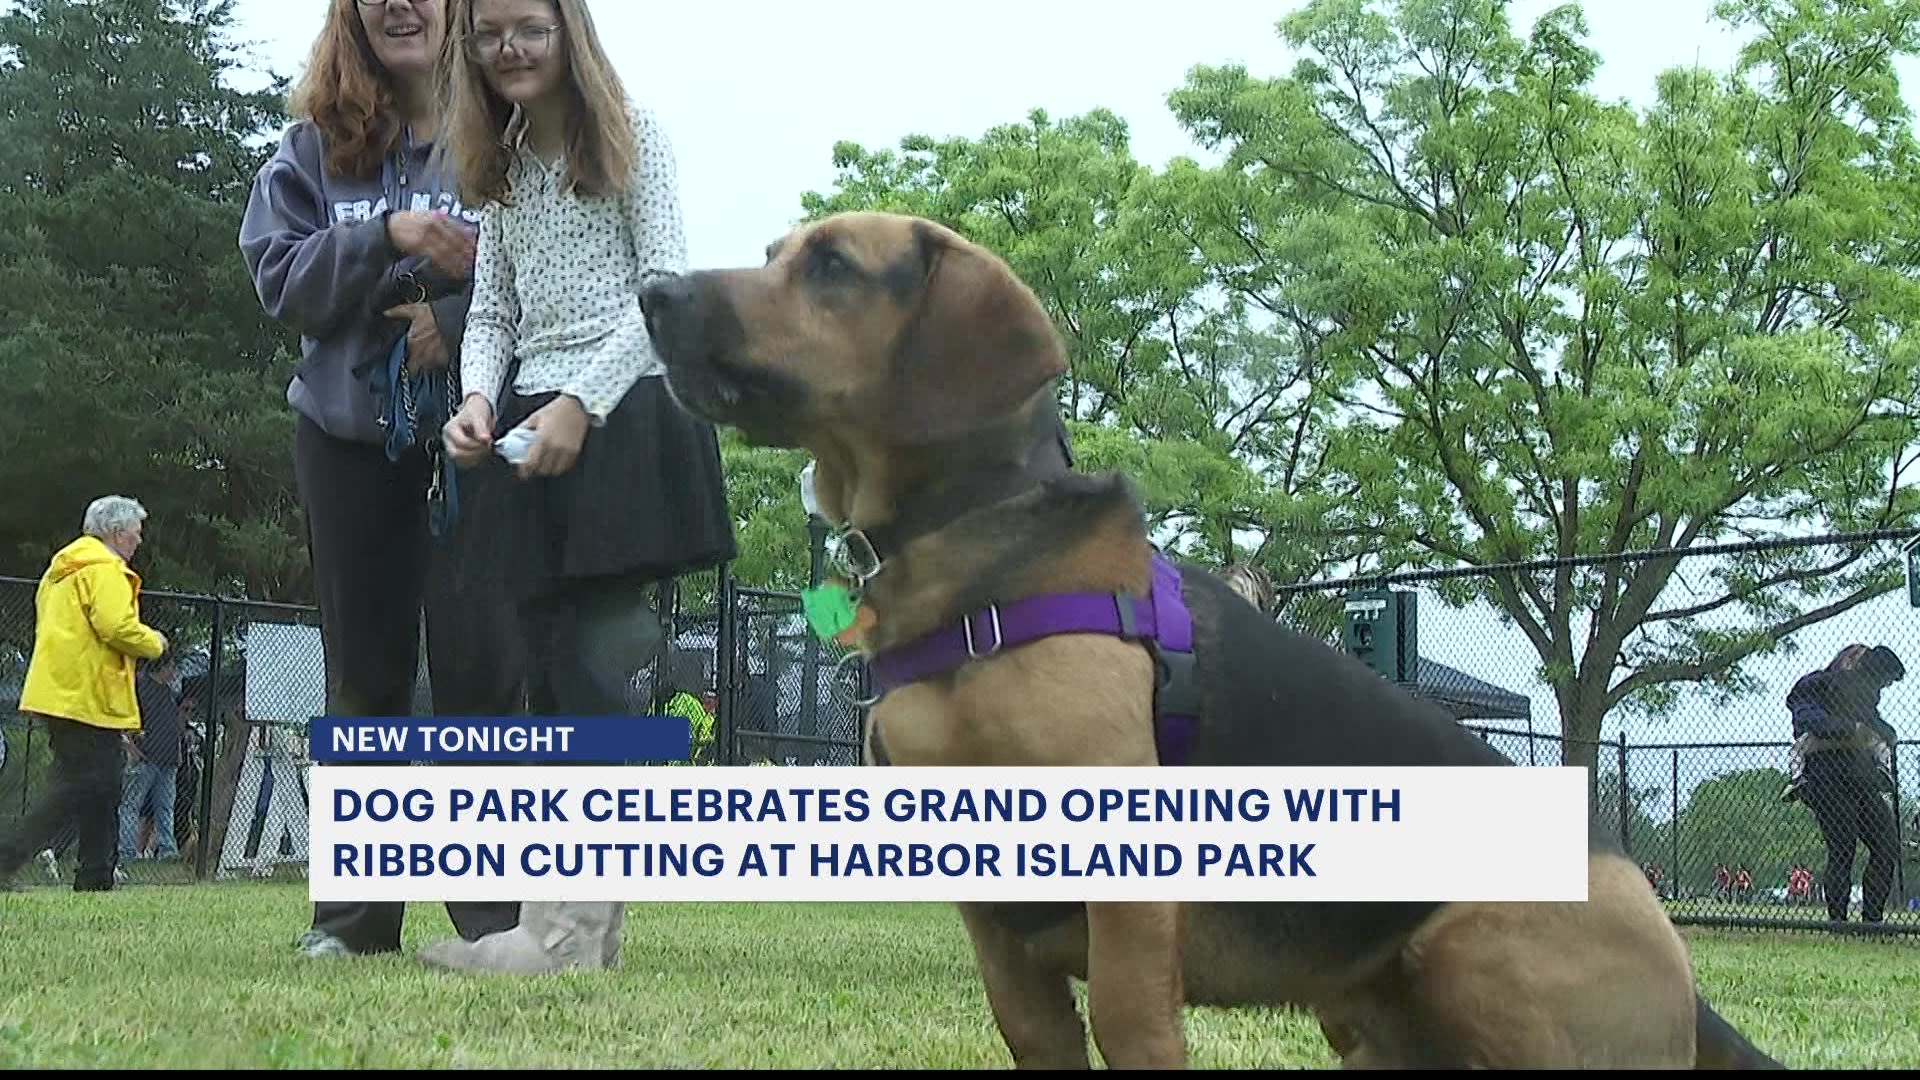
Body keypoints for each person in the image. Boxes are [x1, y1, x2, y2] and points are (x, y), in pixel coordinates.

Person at [423, 0, 737, 975]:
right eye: (487, 33)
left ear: (569, 35)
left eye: (529, 27)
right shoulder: (502, 169)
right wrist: (477, 398)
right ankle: (563, 933)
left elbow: (665, 288)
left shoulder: (635, 136)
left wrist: (581, 406)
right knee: (552, 672)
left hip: (627, 416)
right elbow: (493, 311)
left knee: (600, 670)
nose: (508, 48)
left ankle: (566, 933)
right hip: (524, 427)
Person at [237, 0, 529, 958]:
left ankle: (497, 920)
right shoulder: (309, 151)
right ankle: (356, 923)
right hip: (345, 439)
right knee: (363, 678)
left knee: (481, 672)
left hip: (476, 438)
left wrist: (455, 303)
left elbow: (559, 272)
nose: (399, 4)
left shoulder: (514, 133)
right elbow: (279, 278)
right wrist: (391, 235)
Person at [0, 497, 169, 892]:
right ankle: (8, 855)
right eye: (135, 532)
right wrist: (155, 642)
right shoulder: (105, 569)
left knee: (104, 781)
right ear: (115, 532)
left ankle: (95, 874)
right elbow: (115, 626)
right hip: (88, 694)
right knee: (78, 783)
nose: (139, 540)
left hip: (57, 689)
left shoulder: (60, 571)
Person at [1782, 643, 1903, 924]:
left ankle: (1872, 920)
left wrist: (1883, 732)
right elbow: (1807, 720)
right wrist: (1849, 730)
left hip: (1862, 775)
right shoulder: (1815, 684)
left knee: (1885, 846)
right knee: (1842, 846)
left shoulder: (1865, 693)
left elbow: (1874, 723)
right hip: (1827, 775)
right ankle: (1838, 921)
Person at [119, 648, 184, 865]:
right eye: (171, 667)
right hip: (146, 757)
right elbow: (129, 720)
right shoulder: (142, 687)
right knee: (131, 804)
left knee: (165, 806)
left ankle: (167, 848)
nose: (173, 672)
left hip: (167, 759)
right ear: (161, 667)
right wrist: (132, 748)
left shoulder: (168, 692)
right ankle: (127, 849)